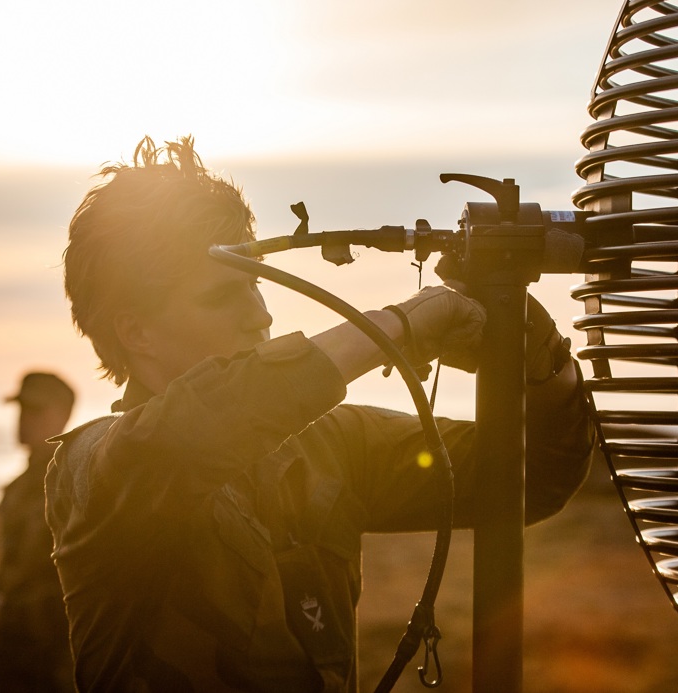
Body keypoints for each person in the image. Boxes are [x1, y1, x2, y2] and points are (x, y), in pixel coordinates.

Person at [46, 135, 595, 692]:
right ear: (137, 331)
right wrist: (399, 327)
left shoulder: (335, 445)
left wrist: (538, 354)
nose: (260, 315)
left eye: (257, 287)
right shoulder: (91, 471)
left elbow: (533, 476)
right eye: (223, 297)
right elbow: (188, 432)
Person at [0, 371, 76, 691]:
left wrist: (5, 614)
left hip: (58, 657)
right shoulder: (16, 489)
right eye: (22, 409)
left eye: (36, 410)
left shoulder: (73, 483)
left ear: (63, 414)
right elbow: (11, 568)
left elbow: (74, 584)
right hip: (15, 652)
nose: (24, 419)